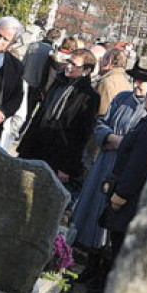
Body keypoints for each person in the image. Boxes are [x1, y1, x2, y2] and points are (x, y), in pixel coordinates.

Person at [83, 85, 147, 293]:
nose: (146, 99)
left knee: (121, 247)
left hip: (132, 198)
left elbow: (138, 164)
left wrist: (121, 195)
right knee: (117, 244)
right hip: (130, 194)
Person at [70, 69, 147, 293]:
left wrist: (121, 143)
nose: (138, 85)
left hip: (122, 166)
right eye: (136, 80)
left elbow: (141, 142)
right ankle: (90, 262)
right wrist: (109, 137)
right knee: (94, 211)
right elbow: (101, 123)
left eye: (144, 82)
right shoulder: (121, 98)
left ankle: (102, 269)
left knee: (110, 217)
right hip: (105, 161)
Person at [17, 48, 98, 191]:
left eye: (74, 65)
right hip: (37, 145)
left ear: (86, 70)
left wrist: (66, 167)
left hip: (58, 154)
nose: (69, 66)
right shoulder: (59, 82)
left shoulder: (88, 96)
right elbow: (40, 114)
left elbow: (81, 135)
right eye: (69, 62)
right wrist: (24, 147)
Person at [95, 48, 132, 117]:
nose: (100, 63)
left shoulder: (106, 82)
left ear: (109, 61)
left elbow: (102, 113)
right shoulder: (126, 82)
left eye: (101, 60)